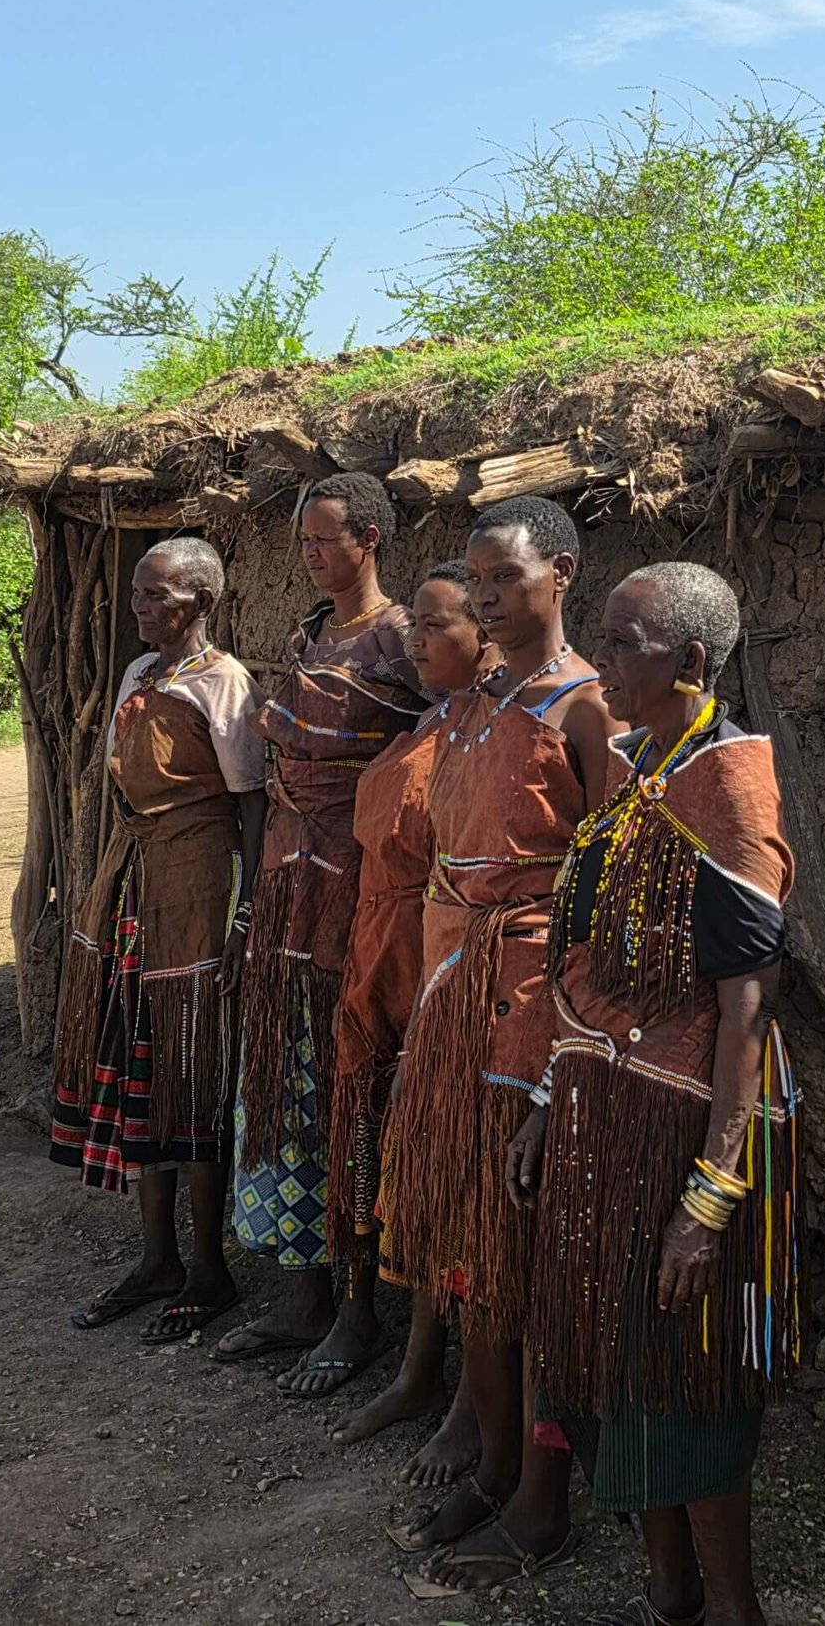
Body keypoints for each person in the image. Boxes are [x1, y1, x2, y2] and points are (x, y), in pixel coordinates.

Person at [506, 562, 802, 1626]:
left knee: (686, 1375)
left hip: (682, 1129)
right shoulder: (640, 768)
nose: (603, 662)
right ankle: (669, 1589)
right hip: (606, 1111)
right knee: (621, 1364)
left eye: (622, 644)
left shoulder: (727, 786)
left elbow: (747, 1005)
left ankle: (731, 1607)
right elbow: (592, 961)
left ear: (690, 660)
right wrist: (552, 1095)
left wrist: (709, 1198)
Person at [379, 495, 622, 1597]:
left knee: (523, 1255)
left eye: (504, 579)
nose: (485, 599)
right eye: (474, 582)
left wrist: (561, 1053)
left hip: (533, 994)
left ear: (560, 573)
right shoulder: (476, 705)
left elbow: (609, 895)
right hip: (458, 987)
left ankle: (541, 1498)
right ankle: (490, 1463)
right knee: (468, 1245)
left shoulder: (586, 709)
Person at [279, 560, 496, 1486]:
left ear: (486, 635)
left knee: (442, 1177)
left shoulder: (493, 735)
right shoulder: (430, 723)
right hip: (377, 954)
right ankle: (390, 1345)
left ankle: (447, 1387)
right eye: (416, 624)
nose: (414, 637)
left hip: (434, 967)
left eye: (436, 624)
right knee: (380, 1154)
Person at [214, 474, 426, 1368]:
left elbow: (431, 747)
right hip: (288, 882)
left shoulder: (402, 638)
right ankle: (302, 1295)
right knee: (287, 1083)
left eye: (323, 538)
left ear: (369, 538)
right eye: (301, 539)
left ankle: (358, 1305)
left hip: (357, 889)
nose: (307, 553)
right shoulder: (310, 632)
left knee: (352, 1086)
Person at [53, 536, 266, 1344]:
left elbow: (251, 805)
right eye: (138, 593)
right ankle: (157, 1258)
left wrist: (243, 915)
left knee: (193, 1065)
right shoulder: (140, 675)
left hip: (199, 884)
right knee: (144, 1061)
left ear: (201, 601)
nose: (139, 606)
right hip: (138, 880)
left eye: (156, 594)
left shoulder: (224, 682)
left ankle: (208, 1269)